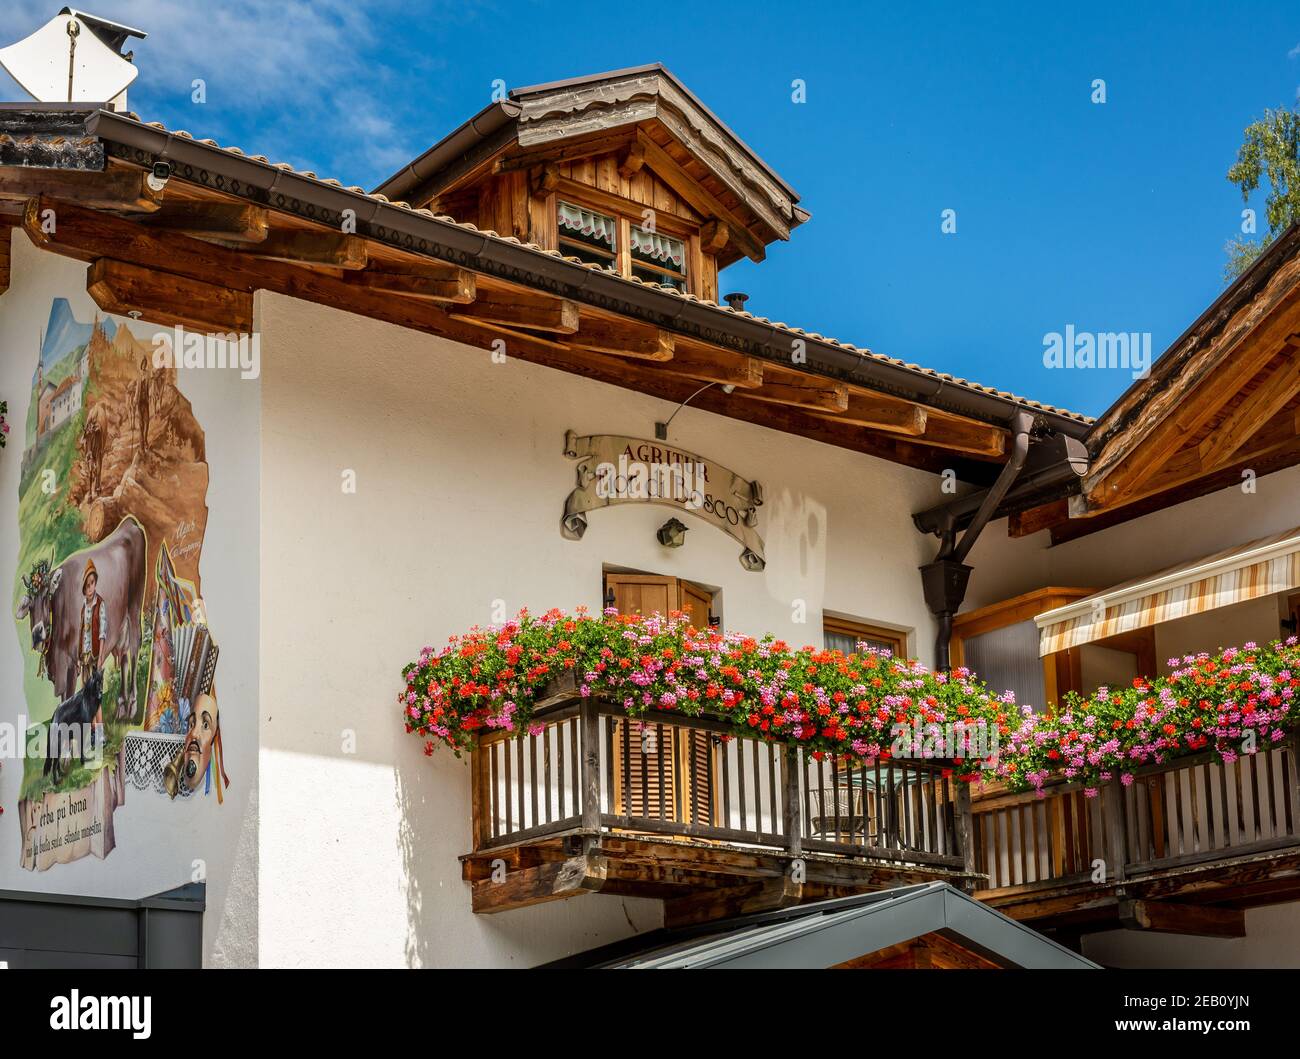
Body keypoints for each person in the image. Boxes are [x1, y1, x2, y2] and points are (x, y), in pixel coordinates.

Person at [79, 560, 108, 729]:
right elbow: (81, 632)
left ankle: (100, 731)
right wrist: (79, 656)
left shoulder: (100, 604)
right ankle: (92, 728)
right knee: (86, 693)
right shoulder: (84, 607)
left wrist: (101, 656)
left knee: (96, 695)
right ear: (84, 587)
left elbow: (102, 632)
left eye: (92, 583)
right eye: (87, 585)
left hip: (95, 655)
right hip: (84, 656)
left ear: (95, 584)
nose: (90, 588)